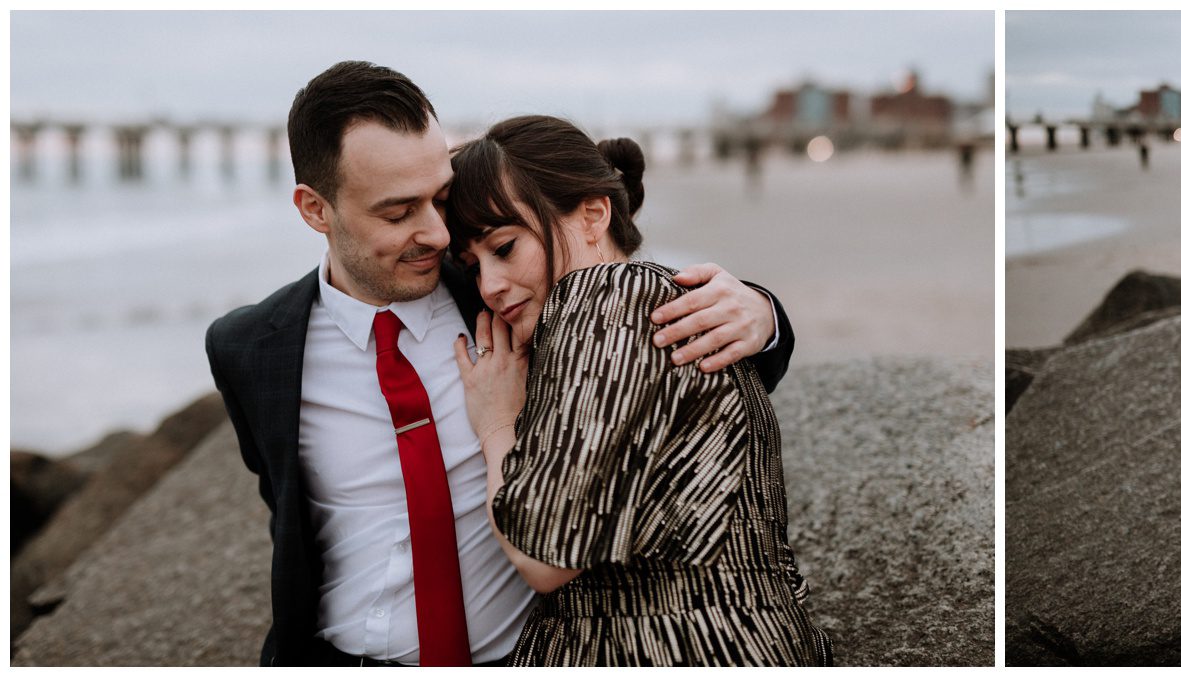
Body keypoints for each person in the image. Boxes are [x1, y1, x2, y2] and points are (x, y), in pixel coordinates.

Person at [205, 61, 795, 667]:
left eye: (438, 197)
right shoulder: (251, 349)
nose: (435, 233)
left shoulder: (507, 295)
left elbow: (664, 362)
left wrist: (764, 313)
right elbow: (291, 521)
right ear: (314, 210)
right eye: (398, 212)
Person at [446, 114, 833, 666]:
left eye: (504, 248)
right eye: (472, 265)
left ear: (593, 215)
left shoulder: (609, 303)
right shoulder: (642, 301)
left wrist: (495, 421)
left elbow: (544, 554)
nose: (489, 285)